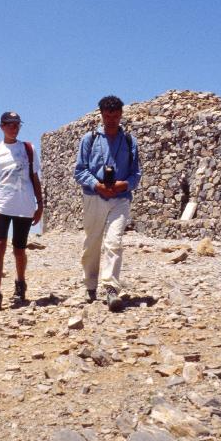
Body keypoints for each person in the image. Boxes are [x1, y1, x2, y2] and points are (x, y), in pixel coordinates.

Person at [74, 95, 141, 311]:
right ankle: (90, 285)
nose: (111, 119)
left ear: (121, 115)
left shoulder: (130, 141)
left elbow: (136, 174)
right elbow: (80, 170)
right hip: (94, 197)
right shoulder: (89, 139)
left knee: (114, 242)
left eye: (115, 115)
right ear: (101, 115)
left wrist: (124, 185)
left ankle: (111, 288)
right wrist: (96, 184)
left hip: (120, 199)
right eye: (107, 115)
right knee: (92, 243)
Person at [0, 111, 43, 312]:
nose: (13, 128)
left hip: (24, 205)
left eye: (17, 124)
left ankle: (20, 283)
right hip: (1, 204)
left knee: (19, 249)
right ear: (2, 126)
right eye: (9, 124)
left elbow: (35, 178)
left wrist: (40, 204)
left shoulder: (28, 149)